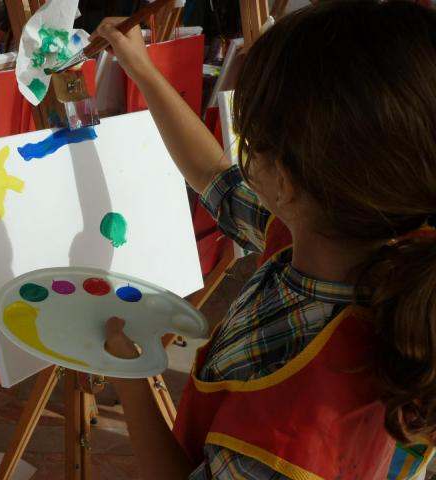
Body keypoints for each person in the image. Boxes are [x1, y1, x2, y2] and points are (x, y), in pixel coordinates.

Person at [94, 1, 436, 478]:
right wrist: (142, 69)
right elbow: (212, 175)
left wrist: (131, 377)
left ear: (285, 183)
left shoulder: (292, 424)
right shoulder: (364, 246)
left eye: (250, 142)